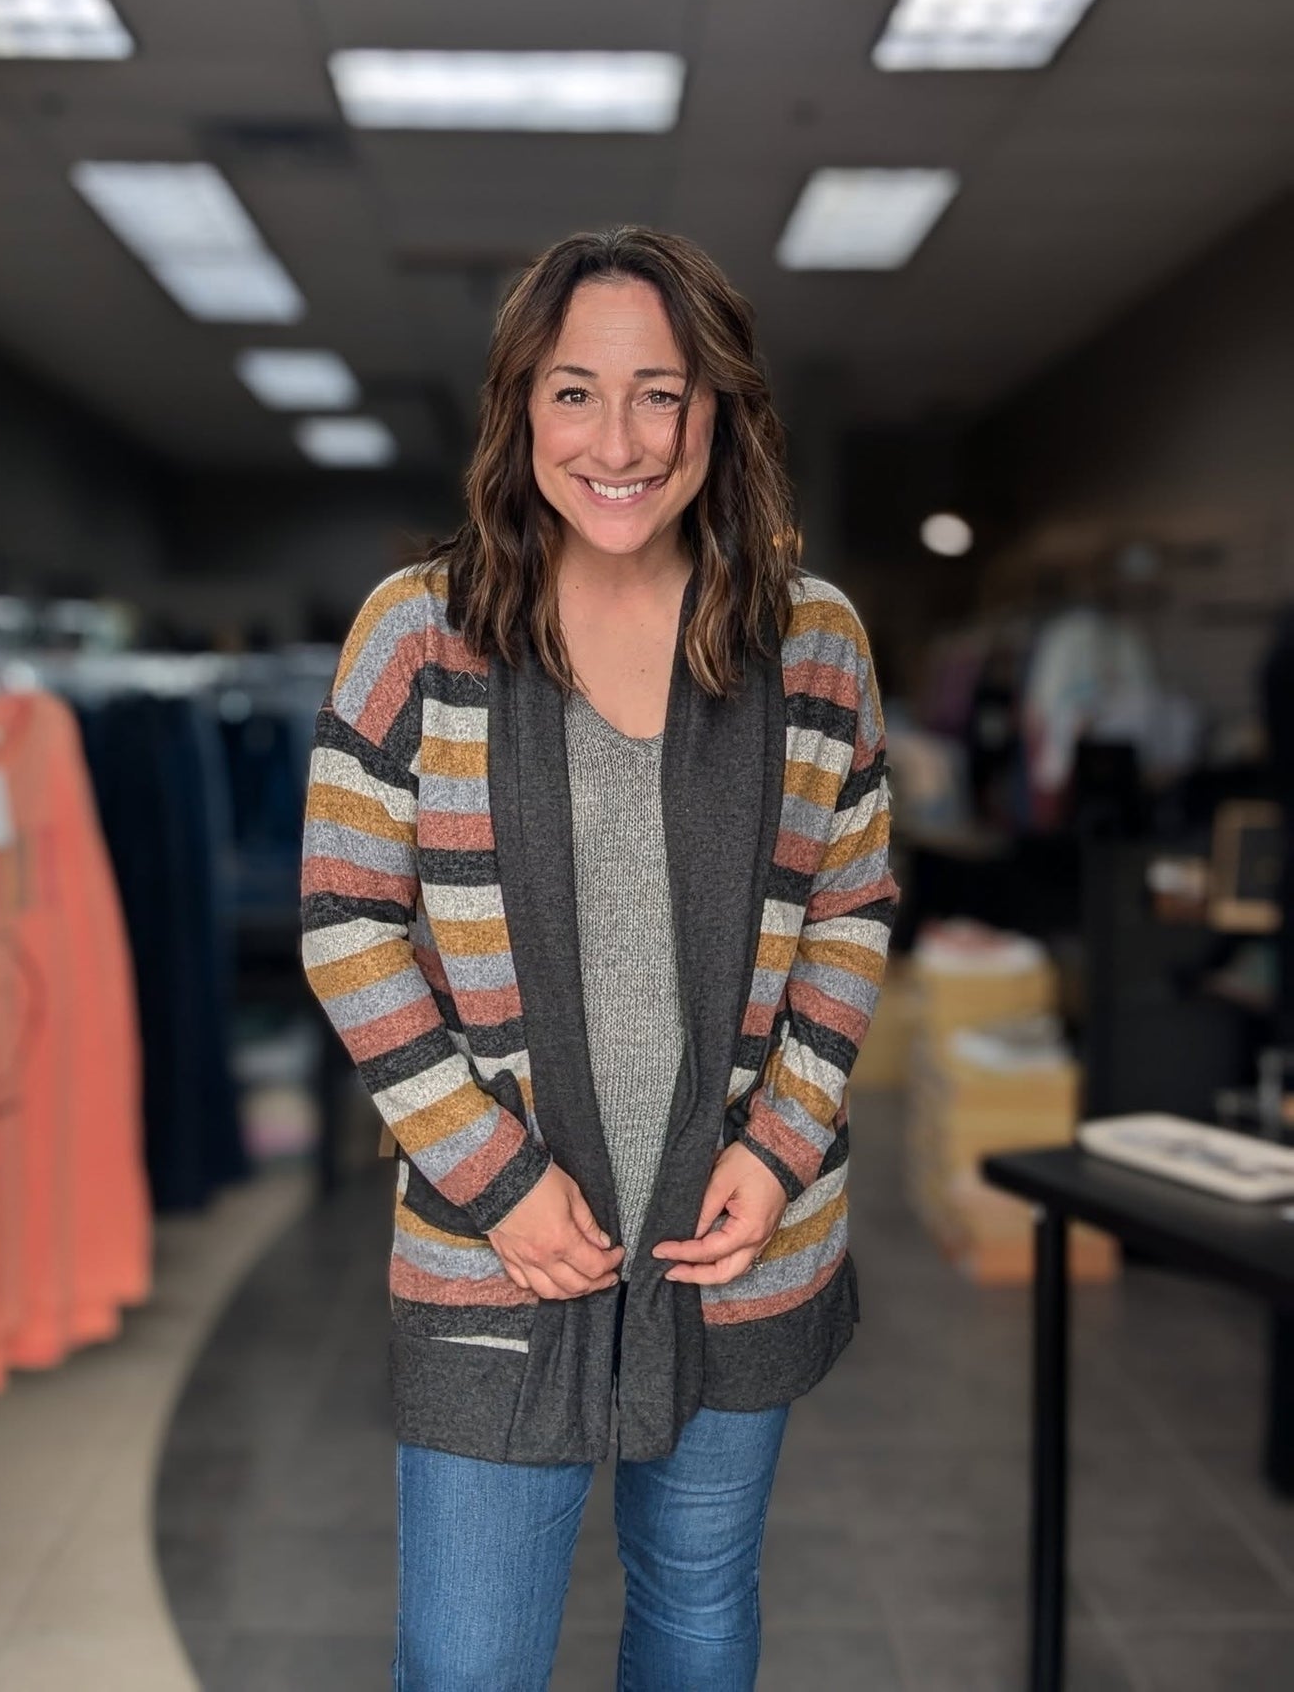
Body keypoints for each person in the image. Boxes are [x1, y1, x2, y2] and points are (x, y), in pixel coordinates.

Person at [301, 225, 897, 1691]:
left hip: (738, 1237)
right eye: (575, 393)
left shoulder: (808, 640)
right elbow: (347, 919)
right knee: (469, 1663)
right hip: (496, 1251)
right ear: (519, 411)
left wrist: (780, 1142)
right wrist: (495, 1182)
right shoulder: (419, 635)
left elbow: (850, 906)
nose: (618, 441)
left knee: (697, 1622)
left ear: (718, 412)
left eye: (660, 393)